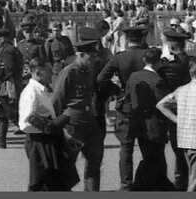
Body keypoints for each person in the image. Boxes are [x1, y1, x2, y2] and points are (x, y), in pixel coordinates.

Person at [97, 22, 150, 190]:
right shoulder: (148, 55)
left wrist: (117, 91)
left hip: (126, 103)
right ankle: (147, 181)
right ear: (142, 38)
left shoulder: (120, 57)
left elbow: (101, 79)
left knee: (126, 147)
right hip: (146, 105)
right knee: (147, 145)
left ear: (127, 40)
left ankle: (126, 184)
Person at [51, 33, 102, 190]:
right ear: (81, 55)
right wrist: (60, 127)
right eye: (90, 57)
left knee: (95, 159)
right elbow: (56, 101)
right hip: (73, 123)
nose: (93, 61)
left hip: (89, 121)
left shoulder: (88, 72)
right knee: (68, 162)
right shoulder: (69, 72)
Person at [19, 56, 78, 191]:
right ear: (39, 72)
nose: (52, 73)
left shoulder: (42, 90)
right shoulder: (31, 93)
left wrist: (67, 137)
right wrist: (49, 127)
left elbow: (50, 118)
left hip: (50, 140)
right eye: (49, 70)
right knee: (42, 183)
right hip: (39, 143)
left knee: (57, 182)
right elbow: (26, 122)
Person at [124, 47, 172, 190]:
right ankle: (146, 185)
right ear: (157, 62)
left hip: (139, 124)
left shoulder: (133, 76)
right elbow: (164, 103)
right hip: (155, 125)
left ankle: (154, 185)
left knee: (149, 156)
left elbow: (127, 97)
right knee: (156, 159)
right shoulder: (157, 80)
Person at [155, 57, 196, 193]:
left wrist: (178, 120)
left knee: (192, 173)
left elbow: (161, 105)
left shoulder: (181, 90)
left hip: (186, 139)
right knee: (194, 180)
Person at [160, 27, 192, 190]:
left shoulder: (171, 66)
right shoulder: (190, 60)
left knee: (179, 149)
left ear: (171, 46)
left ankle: (183, 182)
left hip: (177, 109)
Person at [0, 26, 24, 149]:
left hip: (8, 86)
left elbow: (9, 69)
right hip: (12, 85)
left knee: (13, 114)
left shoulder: (7, 51)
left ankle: (38, 135)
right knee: (2, 114)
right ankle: (1, 140)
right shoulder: (13, 49)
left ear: (2, 38)